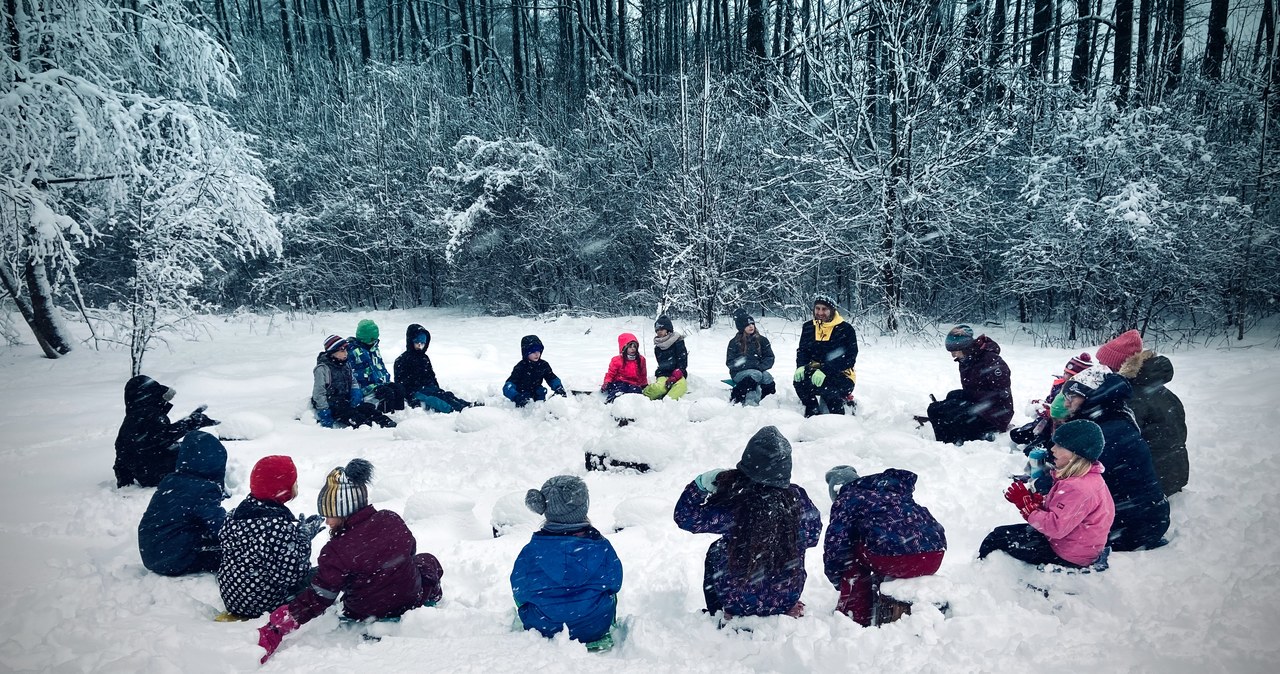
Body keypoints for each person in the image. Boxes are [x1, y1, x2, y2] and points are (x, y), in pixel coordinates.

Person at [256, 459, 444, 664]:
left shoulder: (336, 550)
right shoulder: (392, 519)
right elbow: (410, 551)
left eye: (331, 516)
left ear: (345, 512)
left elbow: (318, 597)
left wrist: (279, 625)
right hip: (410, 597)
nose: (327, 521)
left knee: (335, 576)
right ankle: (431, 596)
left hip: (363, 610)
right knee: (426, 561)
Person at [673, 426, 822, 619]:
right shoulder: (797, 498)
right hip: (786, 598)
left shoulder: (736, 503)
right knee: (789, 546)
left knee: (716, 550)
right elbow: (812, 536)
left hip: (738, 602)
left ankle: (719, 612)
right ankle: (776, 601)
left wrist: (701, 484)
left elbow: (686, 517)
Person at [1060, 366, 1170, 551]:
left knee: (1059, 538)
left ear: (1090, 396)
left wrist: (1041, 484)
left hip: (1138, 525)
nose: (1066, 404)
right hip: (1143, 515)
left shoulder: (1108, 431)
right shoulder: (1110, 418)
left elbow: (1075, 476)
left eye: (1072, 397)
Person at [979, 420, 1116, 568]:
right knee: (1009, 534)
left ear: (1077, 454)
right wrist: (1039, 505)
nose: (1053, 449)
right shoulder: (1087, 478)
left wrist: (1028, 508)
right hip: (1078, 546)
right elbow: (1067, 515)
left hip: (1068, 554)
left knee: (998, 537)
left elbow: (1055, 528)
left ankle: (981, 571)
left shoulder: (1077, 487)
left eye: (1060, 446)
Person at [823, 466, 947, 626]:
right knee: (881, 538)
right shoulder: (891, 491)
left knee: (851, 556)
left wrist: (837, 577)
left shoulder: (846, 499)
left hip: (898, 560)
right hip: (934, 556)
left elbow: (836, 545)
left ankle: (855, 616)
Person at [511, 476, 623, 648]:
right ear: (582, 506)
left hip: (543, 628)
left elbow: (519, 590)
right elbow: (615, 583)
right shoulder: (601, 547)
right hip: (594, 627)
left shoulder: (531, 551)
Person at [217, 456, 326, 619]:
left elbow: (258, 549)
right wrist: (303, 541)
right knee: (324, 574)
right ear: (281, 489)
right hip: (263, 604)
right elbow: (291, 576)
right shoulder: (277, 525)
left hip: (233, 598)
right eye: (293, 482)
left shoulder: (234, 516)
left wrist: (294, 539)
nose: (296, 486)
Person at [1102, 330, 1189, 496]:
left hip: (1152, 483)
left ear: (1117, 367)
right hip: (1174, 474)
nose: (1101, 369)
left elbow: (1116, 444)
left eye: (1104, 365)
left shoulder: (1132, 397)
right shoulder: (1163, 393)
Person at [137, 431, 228, 576]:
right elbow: (219, 525)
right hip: (174, 558)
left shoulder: (171, 480)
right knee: (228, 551)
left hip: (152, 551)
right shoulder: (203, 489)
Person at [114, 374, 218, 488]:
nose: (163, 400)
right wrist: (192, 422)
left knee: (182, 446)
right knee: (199, 449)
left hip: (146, 473)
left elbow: (122, 451)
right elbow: (164, 436)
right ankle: (210, 485)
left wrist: (124, 482)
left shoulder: (131, 419)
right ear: (150, 396)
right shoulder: (151, 414)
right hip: (160, 474)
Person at [1009, 352, 1094, 493]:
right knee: (1019, 437)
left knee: (1044, 452)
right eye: (1065, 373)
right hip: (1048, 426)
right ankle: (1034, 474)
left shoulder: (1080, 394)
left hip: (1060, 430)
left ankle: (1043, 479)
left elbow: (1070, 414)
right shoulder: (1059, 386)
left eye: (1070, 375)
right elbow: (1051, 403)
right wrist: (1042, 406)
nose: (1066, 377)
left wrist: (1050, 412)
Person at [921, 325, 1013, 444]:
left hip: (996, 415)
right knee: (944, 403)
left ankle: (951, 442)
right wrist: (965, 396)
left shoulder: (992, 362)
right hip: (980, 407)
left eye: (955, 351)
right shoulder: (967, 360)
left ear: (964, 347)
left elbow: (1001, 395)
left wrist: (968, 395)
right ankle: (950, 436)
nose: (953, 355)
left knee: (945, 410)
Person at [311, 335, 396, 429]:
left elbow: (353, 380)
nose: (346, 353)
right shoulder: (323, 369)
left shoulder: (345, 364)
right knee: (353, 415)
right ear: (332, 352)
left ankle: (385, 422)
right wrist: (324, 410)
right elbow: (319, 393)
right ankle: (367, 427)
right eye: (342, 350)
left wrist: (356, 392)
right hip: (333, 403)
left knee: (367, 409)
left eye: (346, 350)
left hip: (346, 399)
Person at [794, 294, 858, 417]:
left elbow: (850, 358)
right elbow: (803, 351)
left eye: (824, 309)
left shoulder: (846, 329)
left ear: (832, 310)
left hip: (842, 375)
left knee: (828, 388)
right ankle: (812, 411)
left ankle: (838, 417)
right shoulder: (808, 327)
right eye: (817, 308)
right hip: (815, 370)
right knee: (800, 382)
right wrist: (801, 366)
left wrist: (825, 370)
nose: (820, 312)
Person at [393, 323, 476, 413]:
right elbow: (400, 384)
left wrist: (436, 388)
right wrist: (411, 397)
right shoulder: (402, 360)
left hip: (429, 388)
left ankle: (466, 405)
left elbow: (431, 376)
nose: (420, 346)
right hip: (415, 392)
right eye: (417, 343)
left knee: (446, 395)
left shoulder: (424, 358)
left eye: (423, 343)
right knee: (436, 401)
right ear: (410, 341)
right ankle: (458, 410)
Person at [346, 319, 407, 414]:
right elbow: (351, 374)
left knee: (398, 389)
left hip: (379, 383)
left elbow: (380, 366)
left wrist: (385, 379)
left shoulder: (374, 349)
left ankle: (400, 413)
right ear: (365, 339)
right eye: (372, 339)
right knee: (387, 393)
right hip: (365, 387)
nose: (375, 341)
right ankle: (384, 415)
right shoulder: (353, 352)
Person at [725, 309, 776, 406]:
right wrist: (747, 365)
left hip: (758, 370)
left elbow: (769, 357)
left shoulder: (762, 340)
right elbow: (730, 363)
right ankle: (737, 397)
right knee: (755, 374)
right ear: (742, 327)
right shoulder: (734, 342)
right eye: (747, 325)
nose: (751, 326)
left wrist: (760, 367)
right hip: (738, 372)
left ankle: (768, 401)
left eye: (752, 324)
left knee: (767, 377)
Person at [503, 335, 567, 407]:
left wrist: (558, 387)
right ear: (526, 352)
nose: (537, 354)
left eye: (538, 350)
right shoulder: (520, 367)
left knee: (540, 391)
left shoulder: (543, 365)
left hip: (538, 396)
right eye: (533, 351)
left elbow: (551, 378)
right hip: (522, 398)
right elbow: (508, 387)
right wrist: (516, 397)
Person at [643, 315, 688, 401]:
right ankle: (642, 396)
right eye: (657, 330)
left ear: (668, 330)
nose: (659, 332)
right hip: (663, 374)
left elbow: (683, 362)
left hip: (678, 373)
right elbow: (662, 364)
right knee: (659, 388)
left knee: (681, 386)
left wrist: (676, 375)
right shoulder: (657, 347)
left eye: (662, 329)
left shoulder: (678, 342)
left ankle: (667, 401)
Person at [600, 332, 648, 403]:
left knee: (636, 392)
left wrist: (644, 384)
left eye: (634, 347)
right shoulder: (617, 360)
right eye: (630, 347)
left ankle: (635, 407)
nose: (633, 349)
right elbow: (611, 373)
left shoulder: (640, 360)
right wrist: (607, 382)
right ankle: (613, 402)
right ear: (624, 348)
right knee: (619, 390)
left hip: (634, 383)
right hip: (619, 382)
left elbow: (642, 374)